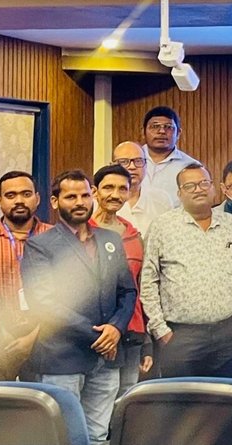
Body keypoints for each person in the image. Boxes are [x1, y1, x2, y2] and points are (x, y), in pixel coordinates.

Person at [23, 170, 135, 445]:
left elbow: (128, 291)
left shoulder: (110, 240)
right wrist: (101, 336)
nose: (80, 202)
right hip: (63, 357)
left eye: (85, 195)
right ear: (55, 201)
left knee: (98, 436)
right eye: (71, 197)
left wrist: (116, 329)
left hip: (107, 359)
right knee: (63, 437)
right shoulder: (40, 245)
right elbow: (44, 303)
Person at [139, 163, 232, 378]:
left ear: (213, 188)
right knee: (181, 396)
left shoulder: (231, 224)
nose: (198, 189)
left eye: (203, 183)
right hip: (180, 337)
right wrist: (160, 330)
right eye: (190, 186)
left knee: (224, 396)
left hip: (227, 335)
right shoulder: (163, 226)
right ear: (179, 193)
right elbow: (148, 280)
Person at [0, 170, 52, 381]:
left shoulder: (56, 238)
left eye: (26, 194)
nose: (19, 201)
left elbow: (66, 293)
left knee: (42, 400)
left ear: (37, 198)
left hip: (47, 338)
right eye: (11, 195)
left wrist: (34, 337)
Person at [90, 165, 151, 392]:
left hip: (132, 332)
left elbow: (141, 288)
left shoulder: (134, 235)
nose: (115, 195)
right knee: (98, 399)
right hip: (97, 332)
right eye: (108, 188)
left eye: (122, 189)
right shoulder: (82, 233)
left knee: (127, 398)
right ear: (95, 192)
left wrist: (147, 342)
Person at [137, 106, 200, 232]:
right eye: (155, 126)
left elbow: (196, 207)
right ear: (143, 131)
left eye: (168, 127)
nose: (161, 131)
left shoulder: (191, 167)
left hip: (174, 232)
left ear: (178, 133)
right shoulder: (130, 161)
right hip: (130, 232)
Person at [110, 141, 148, 223]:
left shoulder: (162, 200)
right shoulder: (100, 202)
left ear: (146, 165)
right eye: (124, 162)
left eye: (138, 161)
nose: (132, 167)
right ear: (112, 166)